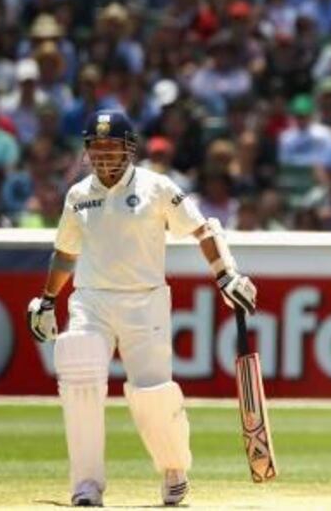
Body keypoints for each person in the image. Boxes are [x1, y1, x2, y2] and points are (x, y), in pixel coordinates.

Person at [25, 110, 257, 507]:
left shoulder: (157, 186)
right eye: (95, 149)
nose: (103, 156)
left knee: (153, 394)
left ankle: (173, 469)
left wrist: (226, 276)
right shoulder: (79, 195)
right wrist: (48, 300)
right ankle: (86, 486)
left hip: (144, 301)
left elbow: (202, 229)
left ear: (128, 149)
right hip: (91, 299)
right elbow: (65, 252)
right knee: (78, 369)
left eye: (111, 148)